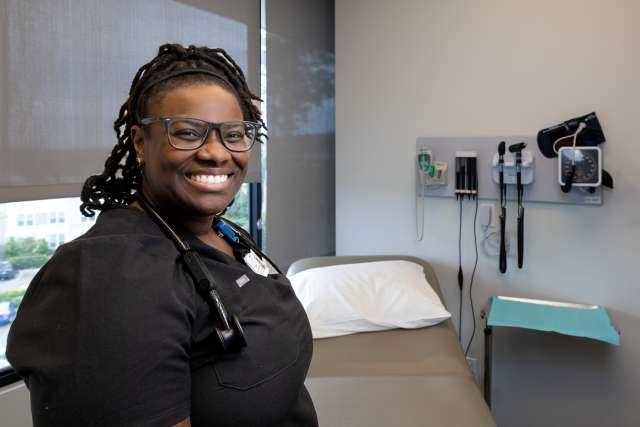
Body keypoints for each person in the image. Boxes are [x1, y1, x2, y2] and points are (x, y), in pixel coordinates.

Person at [6, 43, 318, 427]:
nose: (217, 153)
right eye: (188, 133)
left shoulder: (221, 229)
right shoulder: (109, 276)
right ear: (140, 141)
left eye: (234, 134)